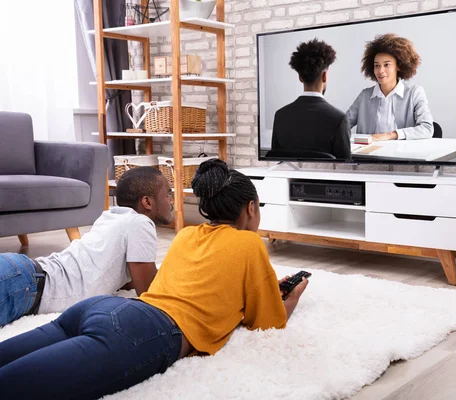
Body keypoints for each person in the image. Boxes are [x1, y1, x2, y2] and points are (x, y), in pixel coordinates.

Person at [0, 159, 309, 399]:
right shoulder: (249, 244)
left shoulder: (187, 235)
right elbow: (268, 321)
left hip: (98, 308)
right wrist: (290, 298)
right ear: (251, 208)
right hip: (146, 331)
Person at [0, 167, 173, 327]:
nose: (172, 200)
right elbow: (149, 293)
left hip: (22, 273)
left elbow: (126, 281)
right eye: (168, 194)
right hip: (23, 285)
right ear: (147, 202)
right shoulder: (140, 223)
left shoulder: (112, 217)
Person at [270, 38, 351, 160]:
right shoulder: (339, 119)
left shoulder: (280, 115)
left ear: (300, 78)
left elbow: (276, 162)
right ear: (325, 76)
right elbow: (346, 169)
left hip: (289, 178)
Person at [346, 33, 434, 141]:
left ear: (399, 66)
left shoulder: (414, 93)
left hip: (401, 156)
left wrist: (390, 135)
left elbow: (427, 128)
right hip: (367, 155)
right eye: (377, 65)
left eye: (386, 65)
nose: (380, 70)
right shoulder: (365, 95)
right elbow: (344, 124)